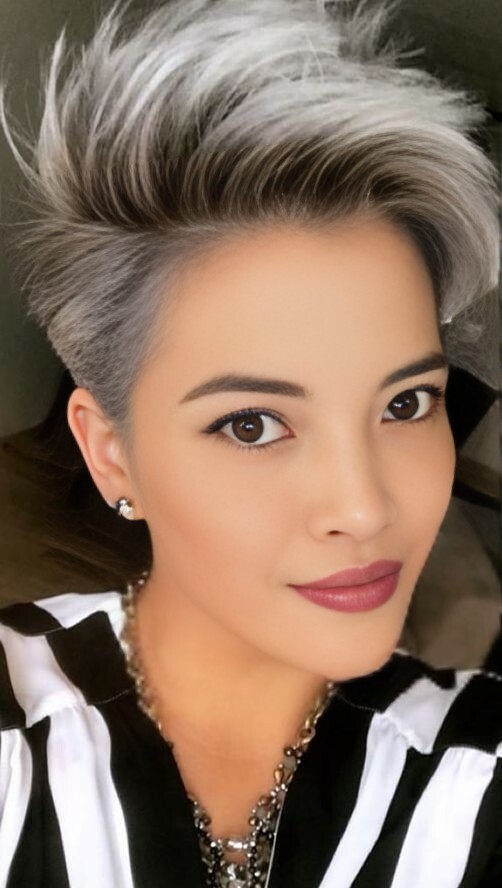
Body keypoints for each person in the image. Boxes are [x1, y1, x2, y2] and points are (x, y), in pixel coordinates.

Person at [0, 0, 500, 885]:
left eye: (406, 403)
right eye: (252, 424)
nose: (364, 508)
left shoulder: (476, 765)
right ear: (112, 454)